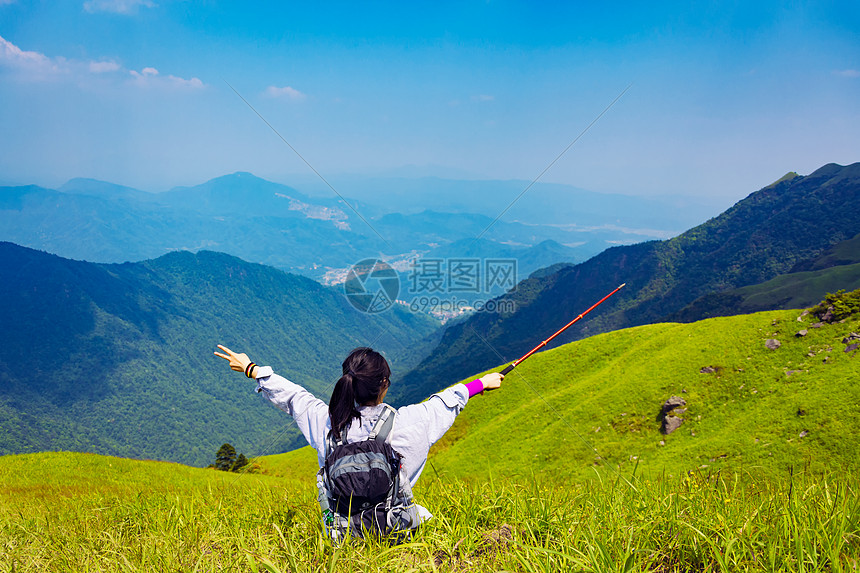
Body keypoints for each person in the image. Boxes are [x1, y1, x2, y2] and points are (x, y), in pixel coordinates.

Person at [214, 344, 503, 539]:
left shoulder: (327, 423)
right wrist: (483, 383)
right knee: (425, 517)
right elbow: (447, 401)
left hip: (341, 537)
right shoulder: (411, 422)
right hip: (397, 531)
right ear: (384, 385)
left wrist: (252, 369)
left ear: (346, 382)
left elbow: (293, 397)